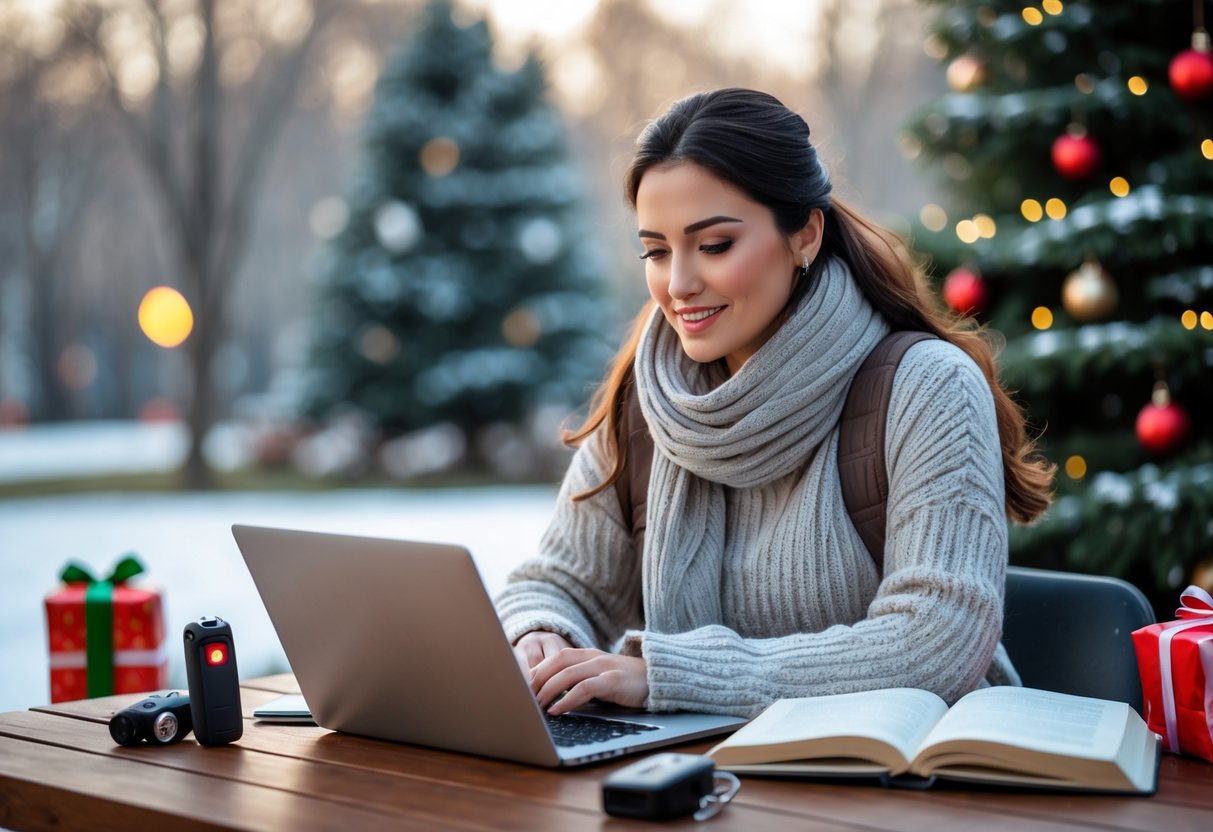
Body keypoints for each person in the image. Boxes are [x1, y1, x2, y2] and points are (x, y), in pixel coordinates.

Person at [495, 88, 1055, 719]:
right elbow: (558, 583)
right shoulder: (650, 396)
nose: (677, 285)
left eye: (714, 246)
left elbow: (936, 641)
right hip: (708, 773)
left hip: (911, 775)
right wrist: (541, 633)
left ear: (805, 236)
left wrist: (670, 675)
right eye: (655, 250)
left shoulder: (928, 386)